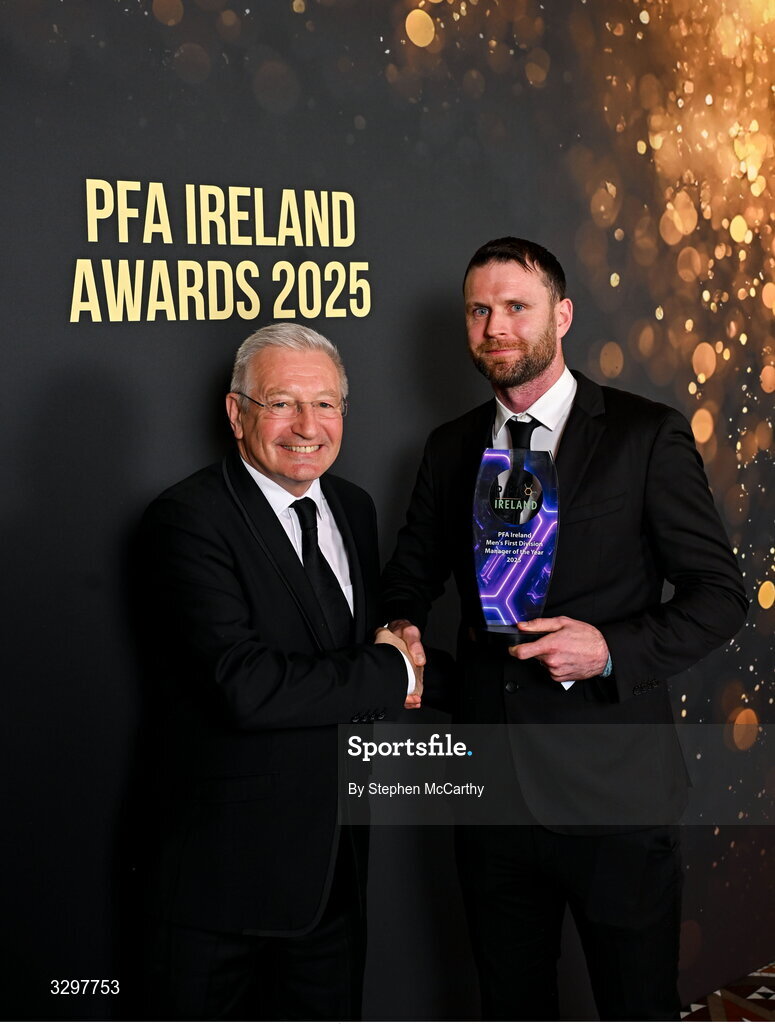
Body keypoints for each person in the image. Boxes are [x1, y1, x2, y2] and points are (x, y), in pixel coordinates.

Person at [382, 237, 748, 1021]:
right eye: (479, 310)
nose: (495, 327)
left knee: (634, 1005)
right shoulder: (450, 449)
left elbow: (720, 596)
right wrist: (401, 632)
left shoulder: (645, 435)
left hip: (614, 793)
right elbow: (408, 579)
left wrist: (611, 647)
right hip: (491, 797)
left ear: (562, 314)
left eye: (516, 306)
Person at [138, 323, 421, 1020]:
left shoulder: (351, 507)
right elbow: (247, 686)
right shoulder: (188, 519)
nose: (307, 427)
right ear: (237, 415)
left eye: (325, 405)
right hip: (223, 892)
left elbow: (346, 644)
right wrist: (393, 671)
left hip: (333, 881)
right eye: (281, 403)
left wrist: (400, 650)